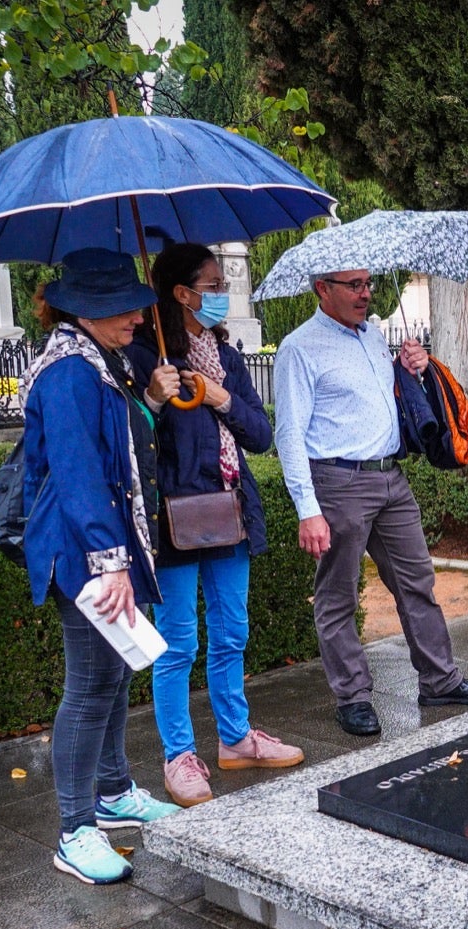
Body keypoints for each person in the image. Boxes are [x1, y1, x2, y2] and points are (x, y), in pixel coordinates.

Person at [274, 268, 468, 737]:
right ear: (323, 289)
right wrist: (307, 508)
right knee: (338, 594)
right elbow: (289, 433)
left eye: (368, 283)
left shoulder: (374, 336)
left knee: (417, 582)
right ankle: (353, 696)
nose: (366, 293)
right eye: (354, 285)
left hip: (390, 478)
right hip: (338, 481)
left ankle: (440, 680)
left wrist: (412, 366)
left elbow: (390, 398)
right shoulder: (299, 348)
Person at [19, 248, 182, 885]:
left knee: (113, 676)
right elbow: (79, 474)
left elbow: (124, 452)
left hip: (103, 549)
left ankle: (113, 796)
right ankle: (74, 830)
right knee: (89, 686)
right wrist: (109, 563)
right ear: (86, 311)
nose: (139, 317)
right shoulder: (68, 373)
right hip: (85, 556)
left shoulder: (97, 361)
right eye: (124, 308)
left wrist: (151, 400)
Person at [126, 243, 302, 808]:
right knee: (178, 642)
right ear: (182, 293)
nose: (222, 292)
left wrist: (222, 397)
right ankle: (179, 755)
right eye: (213, 284)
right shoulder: (143, 355)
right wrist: (153, 399)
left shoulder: (226, 355)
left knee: (231, 633)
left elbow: (261, 434)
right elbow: (131, 442)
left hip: (231, 510)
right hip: (174, 518)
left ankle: (235, 738)